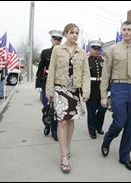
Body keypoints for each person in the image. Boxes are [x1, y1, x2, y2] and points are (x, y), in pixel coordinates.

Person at [100, 20, 131, 172]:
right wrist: (103, 95)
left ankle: (125, 157)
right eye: (124, 29)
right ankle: (107, 139)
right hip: (118, 87)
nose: (126, 31)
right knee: (120, 121)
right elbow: (105, 74)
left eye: (129, 29)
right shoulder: (113, 49)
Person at [46, 23, 90, 173]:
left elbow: (85, 73)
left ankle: (67, 146)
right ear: (65, 34)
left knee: (70, 121)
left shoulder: (82, 52)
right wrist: (49, 90)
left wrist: (86, 91)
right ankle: (64, 155)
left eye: (77, 33)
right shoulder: (57, 50)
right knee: (62, 122)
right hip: (59, 89)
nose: (75, 35)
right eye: (72, 32)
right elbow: (51, 70)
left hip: (74, 90)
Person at [36, 29, 63, 141]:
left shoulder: (63, 53)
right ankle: (47, 123)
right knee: (46, 107)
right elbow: (40, 68)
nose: (57, 41)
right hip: (46, 83)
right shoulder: (45, 52)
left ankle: (54, 131)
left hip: (59, 84)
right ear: (51, 40)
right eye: (55, 39)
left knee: (56, 108)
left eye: (59, 39)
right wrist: (38, 84)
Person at [85, 40, 107, 139]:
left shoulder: (103, 61)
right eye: (95, 49)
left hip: (101, 88)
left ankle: (99, 127)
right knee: (91, 111)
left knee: (102, 109)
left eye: (98, 49)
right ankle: (92, 130)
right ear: (90, 49)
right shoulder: (86, 60)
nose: (97, 51)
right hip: (91, 88)